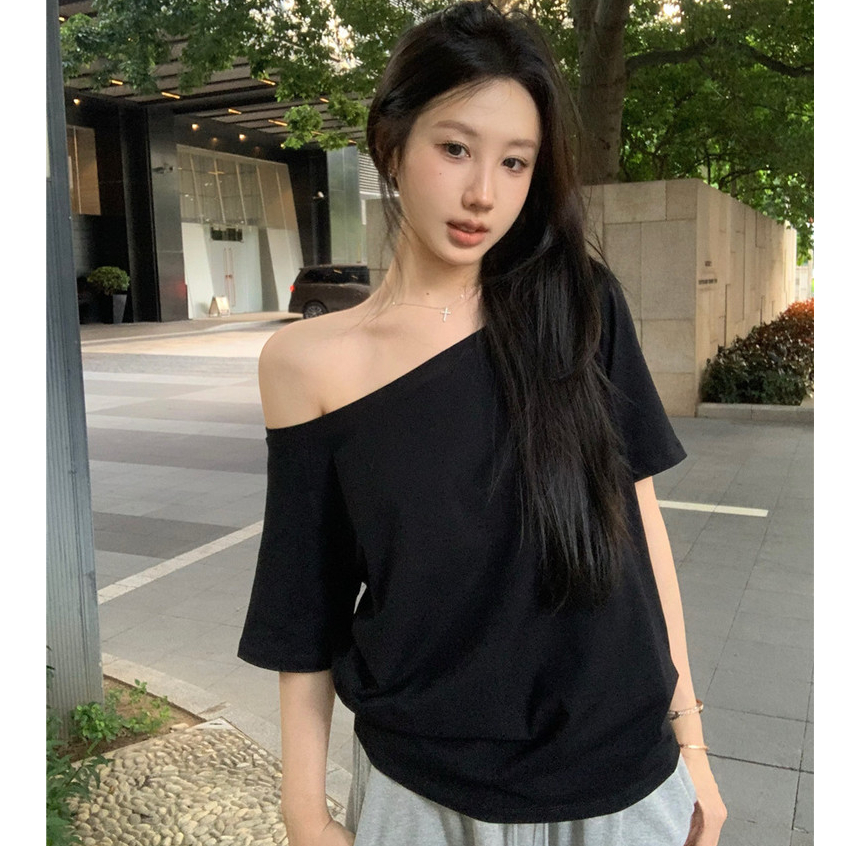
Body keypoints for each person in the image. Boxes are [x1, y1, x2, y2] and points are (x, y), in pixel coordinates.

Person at [238, 2, 727, 844]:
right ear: (390, 143)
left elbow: (640, 530)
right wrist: (303, 811)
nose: (482, 194)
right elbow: (302, 604)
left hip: (619, 779)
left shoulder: (580, 307)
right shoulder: (306, 364)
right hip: (420, 793)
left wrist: (695, 748)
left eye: (515, 162)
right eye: (455, 148)